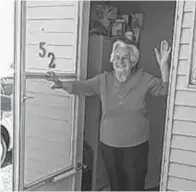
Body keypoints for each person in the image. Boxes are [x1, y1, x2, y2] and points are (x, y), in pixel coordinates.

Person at [45, 39, 171, 191]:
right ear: (112, 60)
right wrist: (61, 84)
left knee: (135, 186)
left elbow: (164, 89)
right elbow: (81, 86)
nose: (120, 61)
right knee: (116, 185)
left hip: (136, 146)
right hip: (109, 144)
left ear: (132, 60)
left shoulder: (143, 79)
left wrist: (164, 66)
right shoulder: (103, 80)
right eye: (117, 57)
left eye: (124, 57)